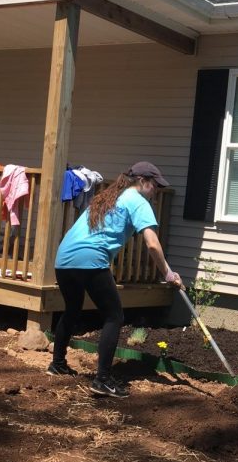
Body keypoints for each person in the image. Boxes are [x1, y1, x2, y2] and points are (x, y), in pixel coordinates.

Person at [48, 161, 182, 398]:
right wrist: (168, 274)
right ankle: (102, 380)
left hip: (64, 257)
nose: (156, 192)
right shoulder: (138, 201)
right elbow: (152, 243)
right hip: (90, 259)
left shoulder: (110, 196)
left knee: (72, 310)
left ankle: (57, 364)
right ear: (142, 182)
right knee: (114, 316)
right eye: (155, 186)